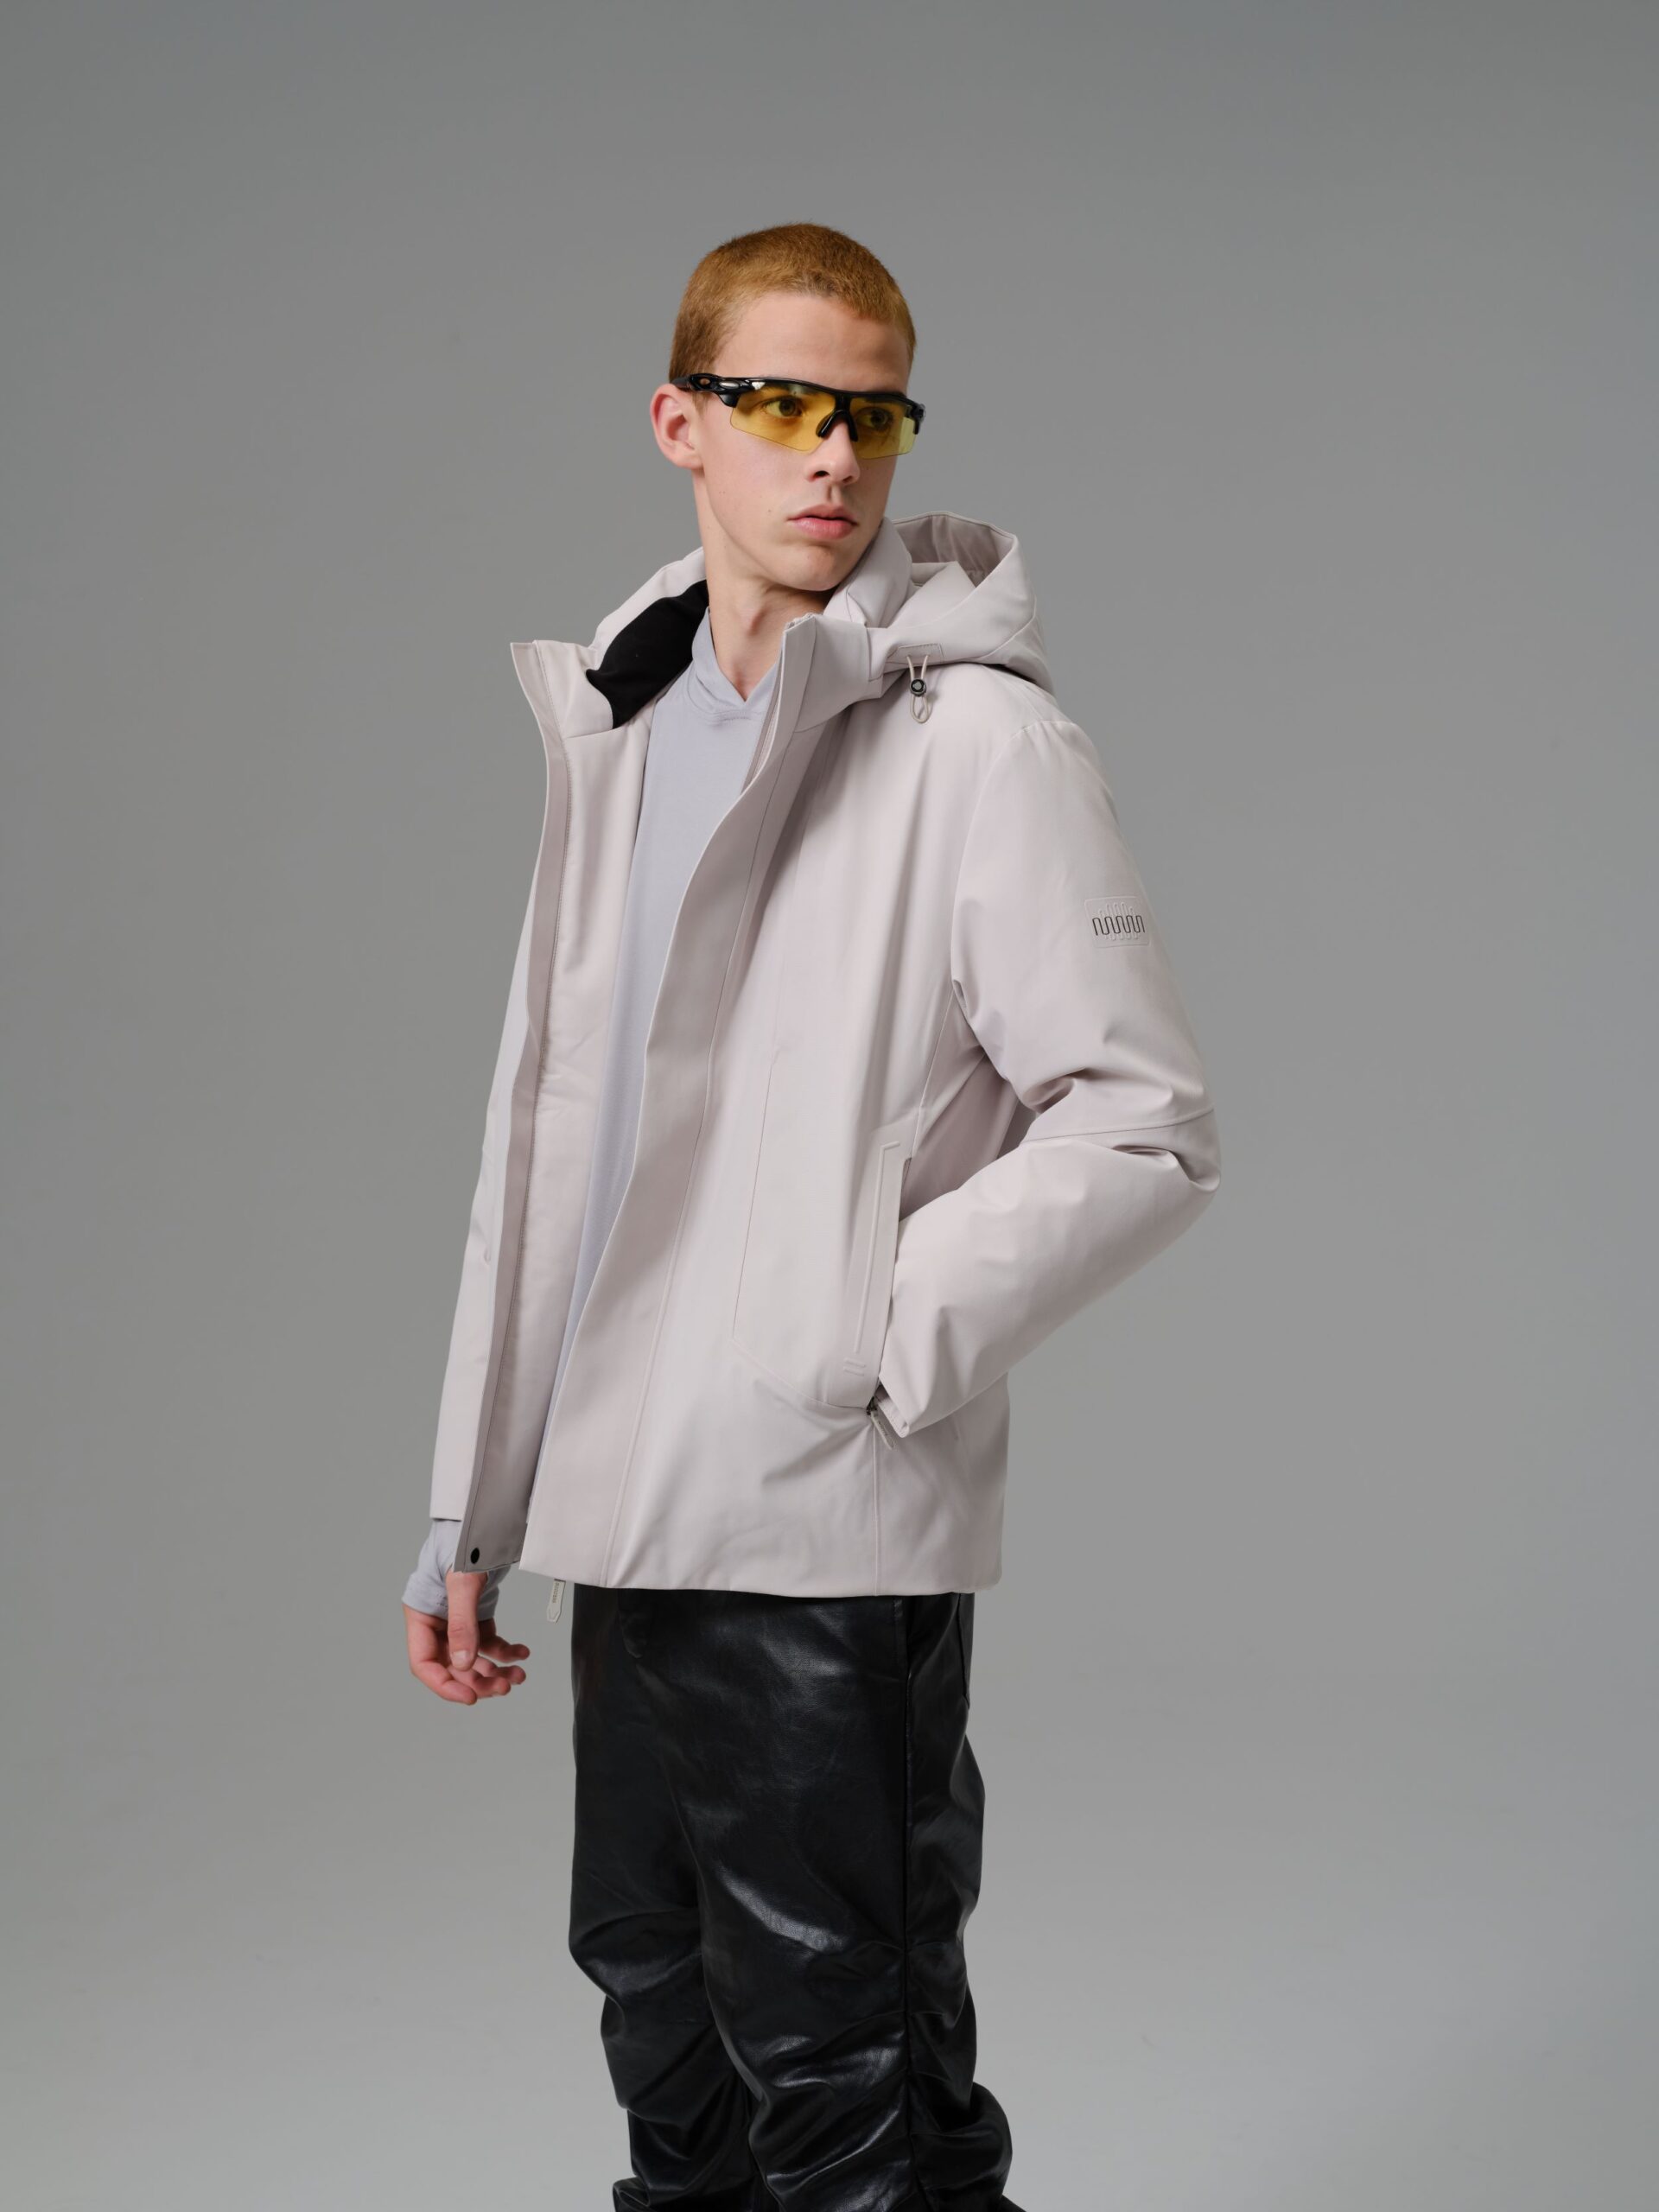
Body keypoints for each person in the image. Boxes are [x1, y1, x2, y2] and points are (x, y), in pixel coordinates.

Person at [402, 221, 1222, 2212]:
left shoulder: (980, 740)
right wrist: (472, 1503)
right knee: (658, 2002)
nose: (833, 453)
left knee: (838, 2053)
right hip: (628, 1507)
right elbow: (557, 1139)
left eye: (871, 412)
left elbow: (1144, 1119)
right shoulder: (625, 721)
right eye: (781, 404)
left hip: (822, 1515)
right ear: (680, 421)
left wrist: (862, 1337)